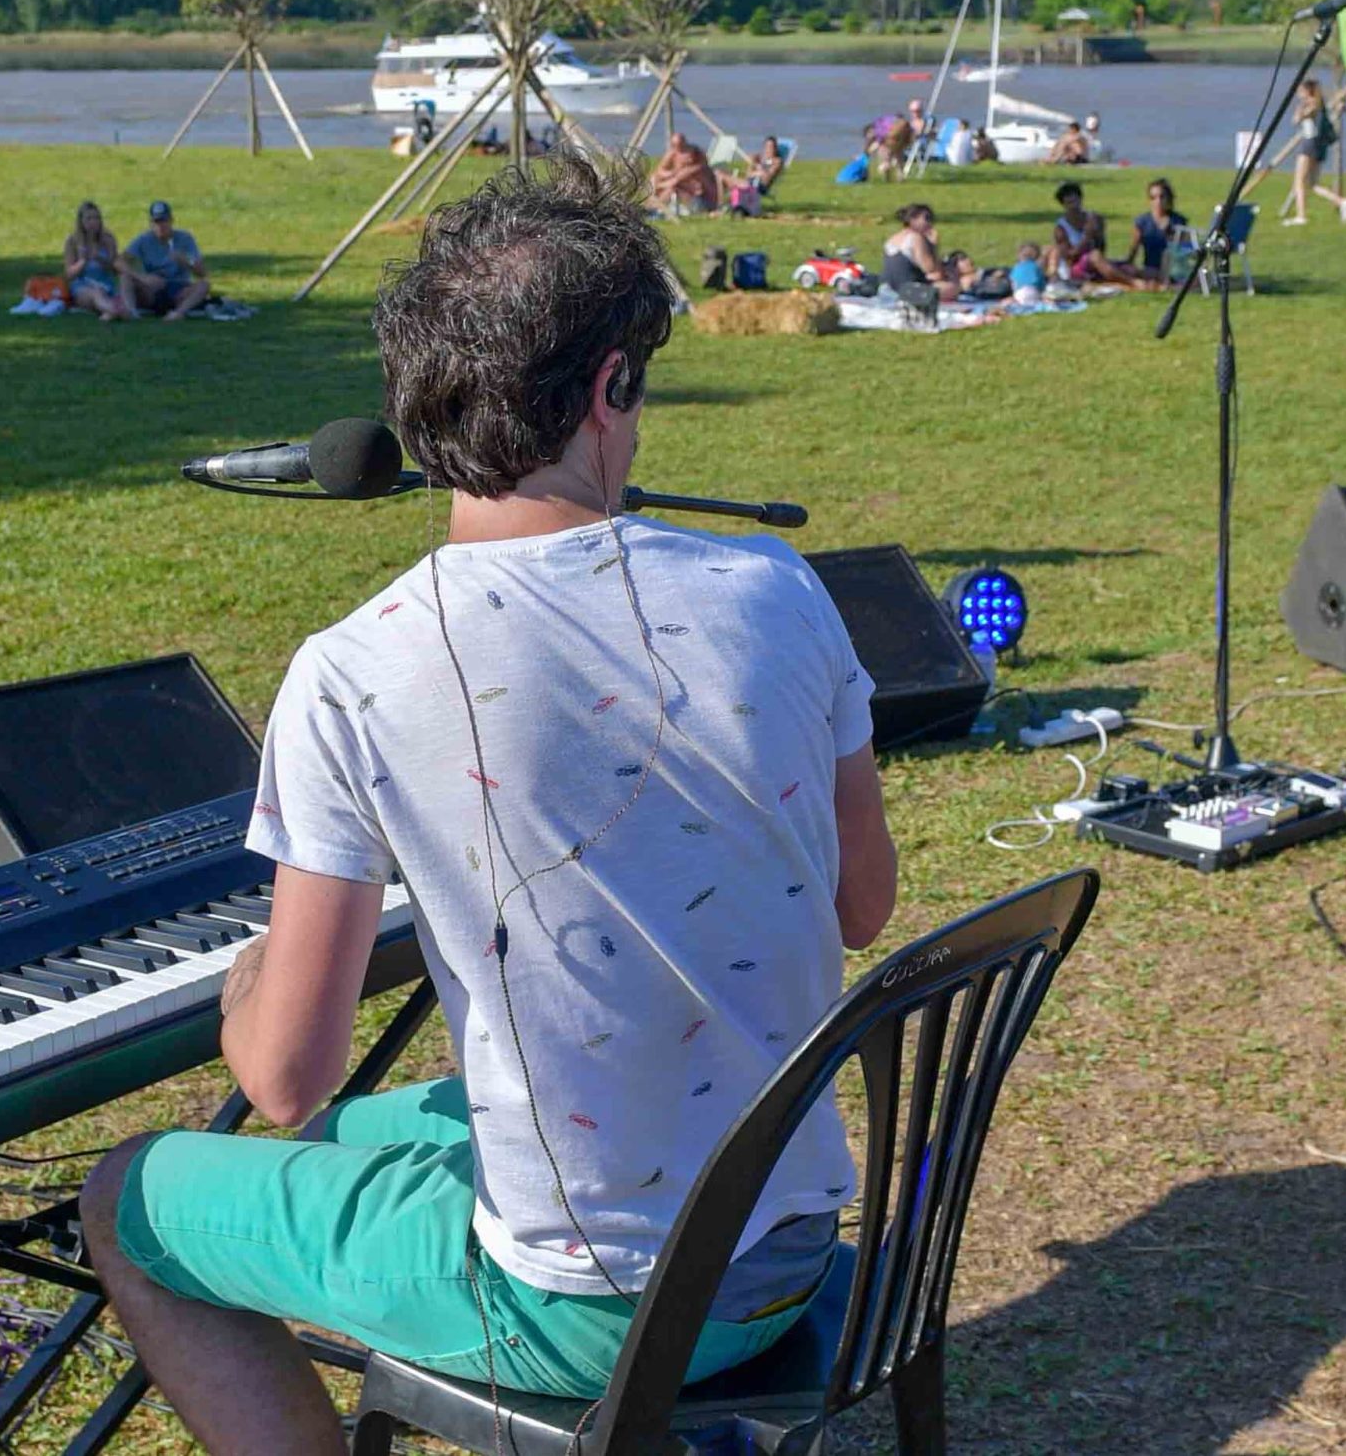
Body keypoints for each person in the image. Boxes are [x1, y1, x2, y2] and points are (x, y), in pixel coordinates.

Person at [77, 152, 898, 1456]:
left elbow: (283, 1076)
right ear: (608, 388)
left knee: (127, 1193)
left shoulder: (356, 668)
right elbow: (865, 906)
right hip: (792, 1242)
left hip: (587, 1309)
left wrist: (246, 986)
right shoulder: (779, 589)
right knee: (360, 1133)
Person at [1051, 181, 1153, 289]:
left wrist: (1098, 233)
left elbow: (1101, 249)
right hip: (1077, 269)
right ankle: (1133, 283)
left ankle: (1161, 282)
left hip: (1097, 263)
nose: (1073, 204)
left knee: (1129, 268)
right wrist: (1087, 237)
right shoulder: (1061, 228)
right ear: (1063, 204)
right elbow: (1070, 258)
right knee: (1095, 256)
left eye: (1074, 198)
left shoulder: (1093, 218)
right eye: (1068, 200)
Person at [1282, 78, 1346, 225]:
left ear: (1307, 91)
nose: (1298, 94)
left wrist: (1301, 110)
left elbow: (1297, 120)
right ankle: (1341, 202)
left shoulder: (1313, 104)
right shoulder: (1320, 104)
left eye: (1301, 91)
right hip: (1319, 145)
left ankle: (1301, 216)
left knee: (1299, 181)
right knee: (1313, 184)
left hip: (1309, 144)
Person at [882, 203, 976, 311]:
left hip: (887, 290)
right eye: (927, 218)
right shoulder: (916, 238)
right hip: (911, 293)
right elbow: (931, 269)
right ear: (913, 219)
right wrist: (934, 246)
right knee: (956, 286)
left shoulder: (893, 239)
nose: (930, 223)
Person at [127, 200, 212, 320]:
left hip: (180, 288)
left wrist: (187, 261)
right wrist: (143, 278)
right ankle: (130, 312)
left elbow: (203, 273)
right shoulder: (144, 240)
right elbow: (119, 262)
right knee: (126, 278)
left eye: (164, 221)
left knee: (204, 285)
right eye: (157, 222)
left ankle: (178, 313)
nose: (161, 226)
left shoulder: (185, 239)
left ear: (171, 220)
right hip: (154, 288)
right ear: (151, 223)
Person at [63, 200, 133, 321]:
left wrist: (101, 259)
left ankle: (111, 313)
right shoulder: (73, 241)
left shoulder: (107, 239)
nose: (93, 222)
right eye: (88, 219)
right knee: (97, 293)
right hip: (82, 286)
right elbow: (69, 275)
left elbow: (114, 269)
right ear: (81, 221)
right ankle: (116, 311)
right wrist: (83, 261)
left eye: (96, 218)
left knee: (115, 284)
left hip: (106, 285)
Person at [1132, 179, 1192, 283]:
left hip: (1173, 270)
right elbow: (1133, 251)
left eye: (1162, 197)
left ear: (1168, 198)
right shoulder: (1142, 222)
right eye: (1153, 198)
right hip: (1150, 269)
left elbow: (1186, 251)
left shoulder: (1178, 221)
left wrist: (1170, 235)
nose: (1158, 201)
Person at [647, 131, 718, 216]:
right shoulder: (672, 154)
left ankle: (653, 208)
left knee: (672, 187)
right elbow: (660, 171)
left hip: (696, 196)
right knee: (660, 182)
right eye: (675, 146)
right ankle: (653, 208)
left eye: (681, 145)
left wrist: (679, 176)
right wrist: (673, 173)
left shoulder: (696, 159)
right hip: (680, 187)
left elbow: (703, 168)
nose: (680, 149)